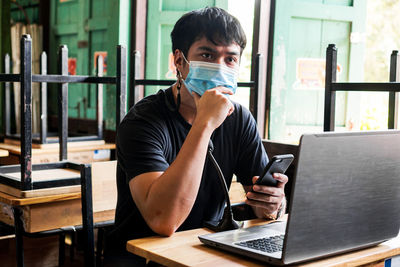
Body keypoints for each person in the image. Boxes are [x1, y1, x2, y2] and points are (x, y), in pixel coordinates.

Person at [105, 6, 288, 266]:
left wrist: (271, 205)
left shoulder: (240, 119)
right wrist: (204, 123)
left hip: (206, 250)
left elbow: (260, 201)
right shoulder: (142, 122)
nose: (219, 67)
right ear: (179, 61)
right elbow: (163, 221)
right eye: (207, 54)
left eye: (230, 59)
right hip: (142, 256)